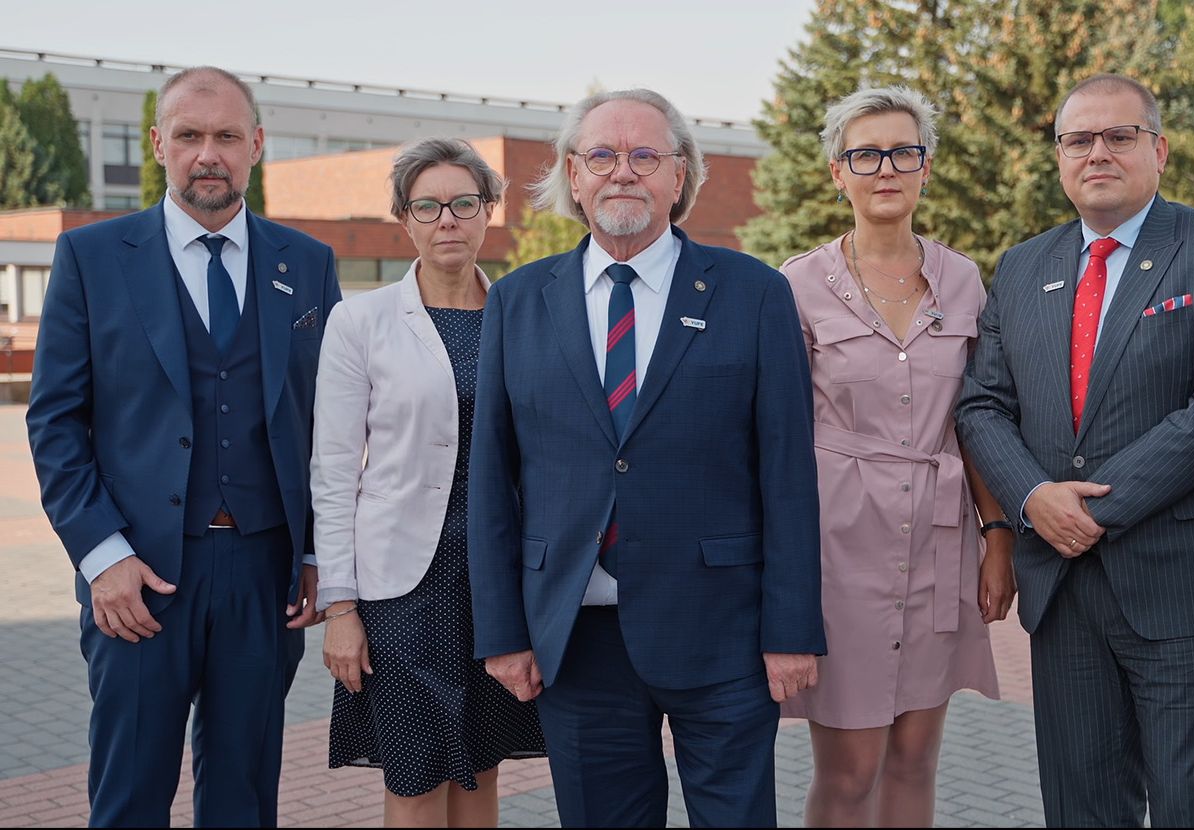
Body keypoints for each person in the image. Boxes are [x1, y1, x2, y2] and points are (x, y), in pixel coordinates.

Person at [467, 88, 825, 828]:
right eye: (601, 155)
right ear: (574, 175)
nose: (621, 172)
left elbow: (788, 475)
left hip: (722, 630)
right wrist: (502, 633)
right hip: (576, 636)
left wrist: (792, 632)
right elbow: (493, 482)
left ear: (679, 176)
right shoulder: (518, 300)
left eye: (644, 156)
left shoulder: (754, 295)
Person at [956, 73, 1194, 826]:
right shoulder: (1023, 264)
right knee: (1081, 809)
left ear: (1158, 150)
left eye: (1118, 135)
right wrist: (1035, 499)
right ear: (1060, 157)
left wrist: (1094, 508)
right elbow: (981, 403)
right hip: (1062, 595)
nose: (1096, 151)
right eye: (1078, 139)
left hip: (1181, 589)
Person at [26, 66, 340, 827]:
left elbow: (330, 422)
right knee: (130, 796)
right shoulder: (92, 258)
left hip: (263, 576)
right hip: (138, 577)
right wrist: (102, 558)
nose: (210, 153)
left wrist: (318, 552)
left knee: (243, 797)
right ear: (158, 143)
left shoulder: (308, 263)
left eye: (228, 136)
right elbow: (55, 422)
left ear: (256, 145)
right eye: (191, 136)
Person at [777, 86, 1013, 828]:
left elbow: (977, 420)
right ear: (837, 172)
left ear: (926, 167)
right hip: (837, 550)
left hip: (940, 542)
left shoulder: (965, 279)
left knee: (916, 761)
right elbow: (776, 438)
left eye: (903, 152)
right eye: (865, 154)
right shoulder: (796, 285)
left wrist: (998, 537)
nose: (887, 168)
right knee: (850, 773)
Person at [311, 138, 547, 827]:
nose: (448, 219)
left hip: (497, 582)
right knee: (414, 779)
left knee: (479, 770)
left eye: (464, 203)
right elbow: (331, 471)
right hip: (402, 587)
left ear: (487, 214)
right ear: (404, 220)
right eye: (428, 206)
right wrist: (341, 607)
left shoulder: (522, 315)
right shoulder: (361, 321)